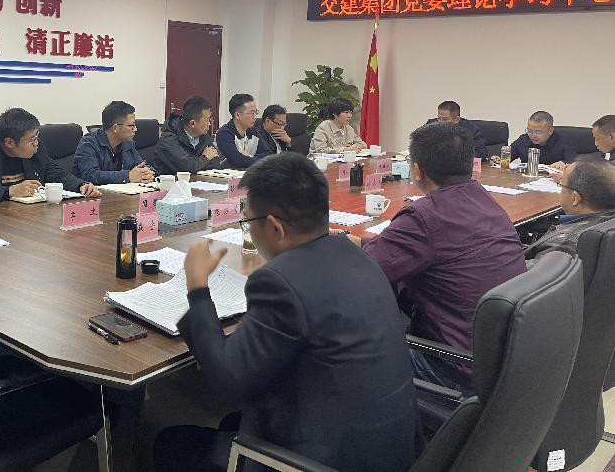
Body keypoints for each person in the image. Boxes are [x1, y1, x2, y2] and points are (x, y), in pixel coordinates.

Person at [154, 153, 420, 472]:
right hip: (393, 448)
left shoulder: (280, 283)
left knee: (171, 442)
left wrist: (197, 287)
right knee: (232, 422)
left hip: (324, 460)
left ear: (275, 227)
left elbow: (226, 385)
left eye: (248, 223)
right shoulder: (360, 256)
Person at [356, 122, 525, 393]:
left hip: (454, 367)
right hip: (504, 357)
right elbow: (407, 249)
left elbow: (364, 271)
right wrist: (355, 240)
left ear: (417, 170)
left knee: (340, 353)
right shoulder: (483, 198)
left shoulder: (424, 216)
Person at [0, 108, 99, 201]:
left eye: (37, 137)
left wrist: (81, 185)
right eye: (32, 140)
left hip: (29, 217)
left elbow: (56, 174)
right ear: (9, 142)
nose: (36, 143)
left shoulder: (36, 148)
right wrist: (9, 191)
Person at [524, 159, 615, 260]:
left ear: (575, 198)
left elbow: (523, 269)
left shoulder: (562, 243)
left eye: (561, 184)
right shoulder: (608, 222)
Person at [72, 101, 155, 185]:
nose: (135, 129)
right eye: (131, 126)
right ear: (115, 128)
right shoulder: (88, 143)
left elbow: (141, 165)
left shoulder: (128, 143)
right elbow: (90, 175)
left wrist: (148, 173)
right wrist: (128, 176)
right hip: (91, 192)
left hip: (120, 191)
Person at [153, 96, 226, 175]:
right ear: (193, 123)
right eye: (207, 120)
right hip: (171, 181)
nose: (209, 123)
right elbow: (186, 167)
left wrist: (196, 163)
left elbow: (215, 162)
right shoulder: (168, 138)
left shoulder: (202, 135)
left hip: (198, 180)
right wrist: (205, 158)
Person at [493, 110, 576, 170]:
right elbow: (508, 155)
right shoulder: (523, 139)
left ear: (550, 131)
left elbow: (574, 162)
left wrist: (563, 163)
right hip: (525, 180)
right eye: (529, 131)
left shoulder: (563, 142)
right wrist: (498, 159)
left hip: (552, 182)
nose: (533, 135)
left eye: (538, 132)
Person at [215, 94, 272, 167]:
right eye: (252, 113)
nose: (255, 117)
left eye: (256, 112)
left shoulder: (253, 131)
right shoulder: (224, 133)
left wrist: (249, 157)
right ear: (237, 115)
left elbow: (268, 155)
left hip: (249, 172)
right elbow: (237, 161)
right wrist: (255, 159)